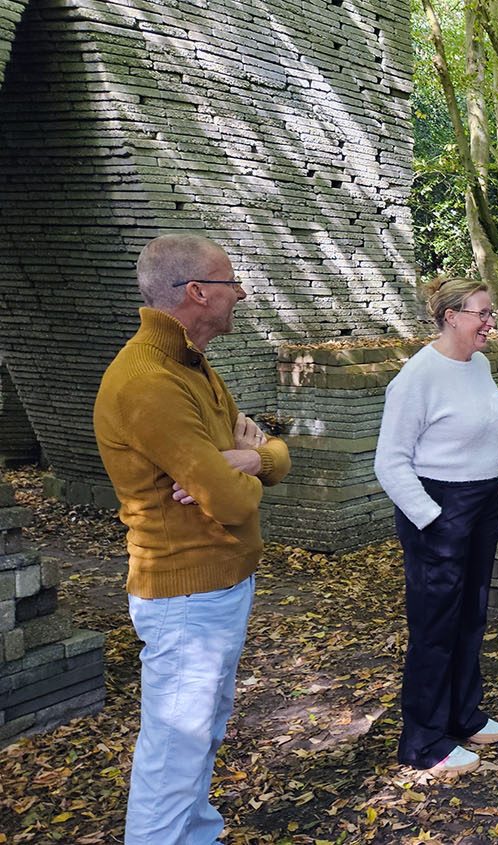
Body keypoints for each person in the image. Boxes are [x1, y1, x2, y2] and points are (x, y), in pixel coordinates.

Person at [93, 233, 292, 844]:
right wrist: (239, 466)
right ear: (198, 292)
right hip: (185, 595)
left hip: (215, 585)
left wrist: (254, 458)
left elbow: (262, 453)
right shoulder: (149, 382)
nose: (242, 294)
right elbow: (230, 502)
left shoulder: (190, 363)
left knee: (202, 729)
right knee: (175, 749)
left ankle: (197, 834)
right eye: (232, 282)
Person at [374, 277, 498, 777]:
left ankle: (461, 714)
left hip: (482, 501)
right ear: (451, 316)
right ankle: (423, 741)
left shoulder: (479, 365)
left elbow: (483, 433)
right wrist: (433, 519)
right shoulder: (418, 376)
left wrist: (492, 484)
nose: (491, 322)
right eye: (482, 313)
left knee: (471, 615)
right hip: (437, 508)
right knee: (434, 628)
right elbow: (390, 462)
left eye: (491, 313)